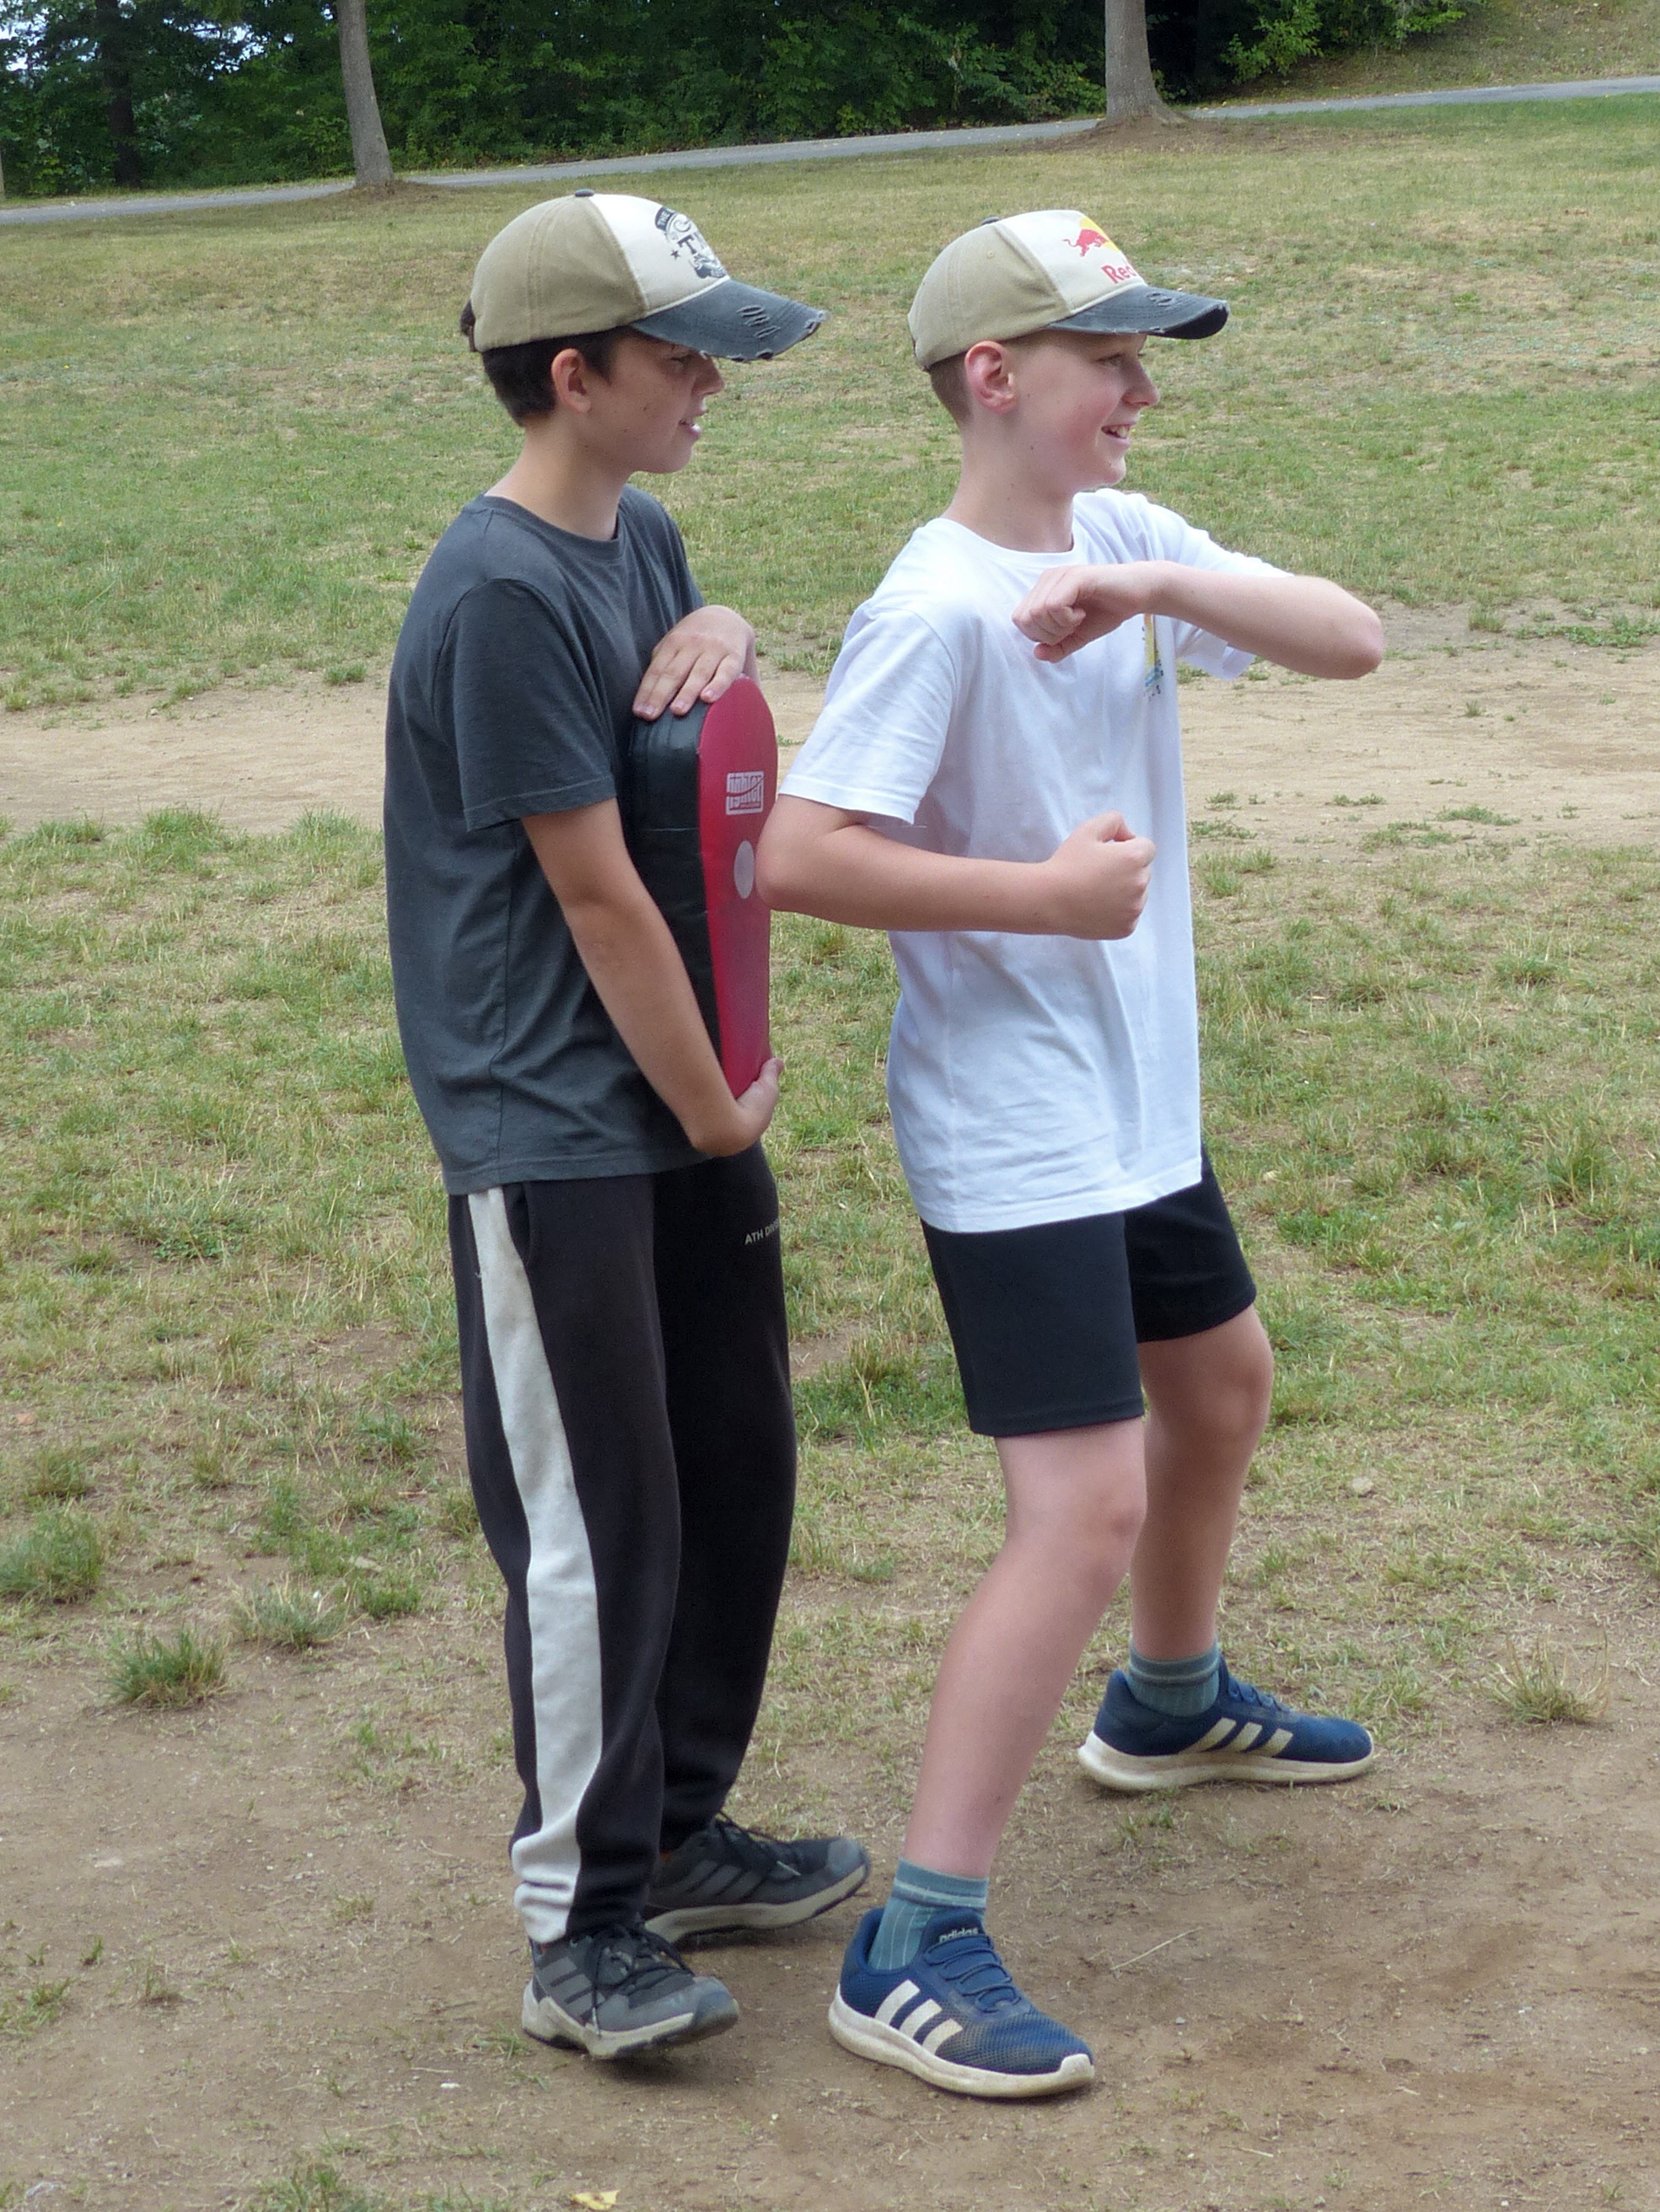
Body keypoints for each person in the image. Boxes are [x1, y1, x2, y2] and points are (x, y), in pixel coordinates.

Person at [757, 208, 1385, 2100]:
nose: (1137, 391)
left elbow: (1350, 640)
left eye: (1143, 359)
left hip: (1133, 1108)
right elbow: (800, 854)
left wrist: (1160, 587)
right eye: (1106, 359)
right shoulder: (934, 604)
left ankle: (1167, 1701)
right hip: (1015, 1126)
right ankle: (914, 1934)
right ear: (992, 376)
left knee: (1221, 1383)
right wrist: (1034, 895)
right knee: (1082, 1507)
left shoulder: (1122, 539)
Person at [384, 191, 868, 2065]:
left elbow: (680, 740)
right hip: (562, 1123)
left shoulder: (639, 533)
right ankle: (578, 1926)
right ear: (573, 375)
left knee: (731, 1466)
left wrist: (726, 620)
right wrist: (713, 1106)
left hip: (677, 1100)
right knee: (598, 1517)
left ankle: (673, 1832)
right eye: (683, 358)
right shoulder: (497, 590)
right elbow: (595, 895)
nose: (712, 386)